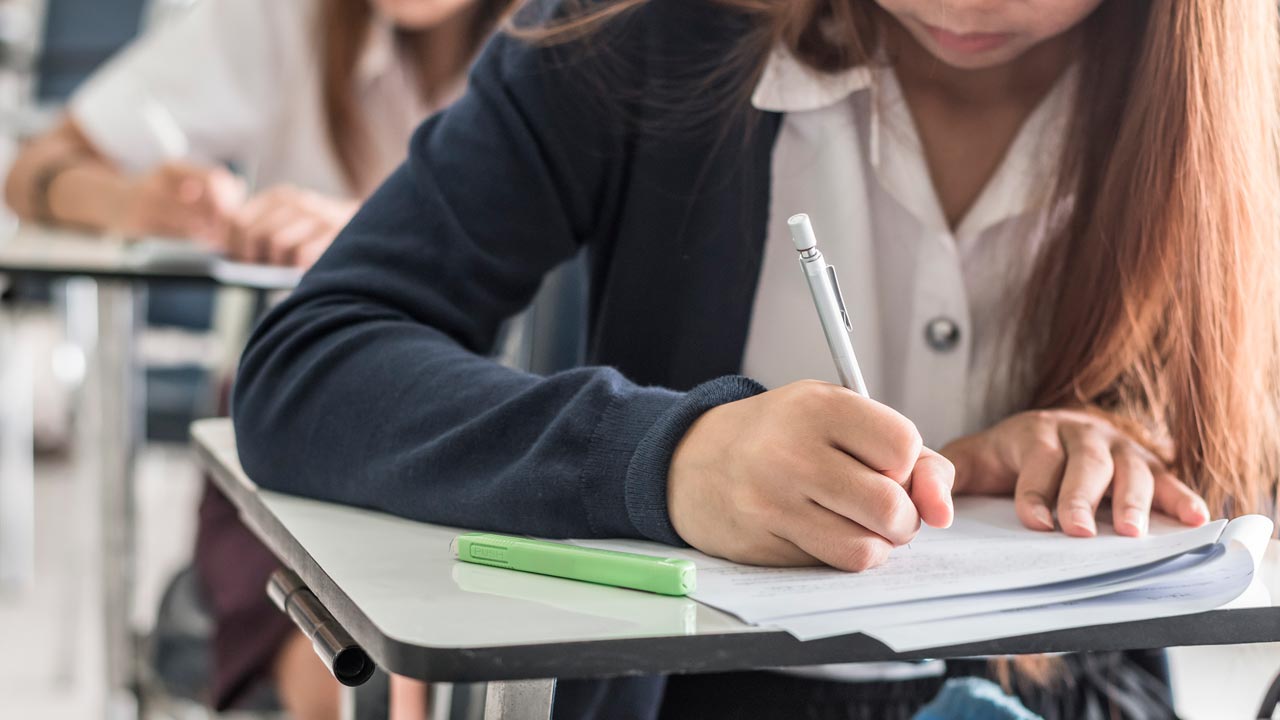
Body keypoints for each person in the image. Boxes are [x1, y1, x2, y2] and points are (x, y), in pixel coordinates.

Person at [230, 0, 1280, 718]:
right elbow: (313, 363)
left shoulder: (1230, 102)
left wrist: (1129, 439)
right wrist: (671, 459)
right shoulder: (636, 35)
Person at [3, 0, 514, 717]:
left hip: (497, 437)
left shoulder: (576, 42)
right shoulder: (283, 20)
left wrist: (377, 236)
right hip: (301, 439)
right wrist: (134, 202)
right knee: (351, 669)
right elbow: (35, 168)